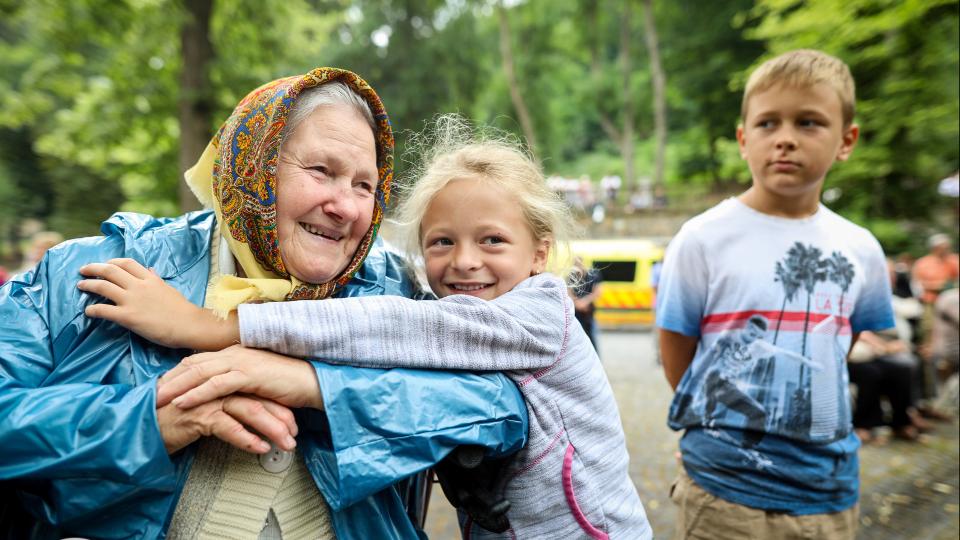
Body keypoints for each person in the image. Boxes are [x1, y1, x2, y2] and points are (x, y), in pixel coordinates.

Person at [0, 69, 528, 539]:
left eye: (364, 184)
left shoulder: (398, 288)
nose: (343, 206)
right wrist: (151, 421)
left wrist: (317, 385)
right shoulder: (98, 270)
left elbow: (506, 408)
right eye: (321, 170)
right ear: (254, 162)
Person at [79, 116, 653, 539]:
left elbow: (396, 330)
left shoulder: (536, 311)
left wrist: (212, 327)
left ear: (539, 254)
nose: (465, 262)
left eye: (493, 240)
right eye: (441, 242)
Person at [656, 50, 895, 539]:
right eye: (768, 123)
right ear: (744, 139)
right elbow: (677, 351)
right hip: (723, 493)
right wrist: (711, 425)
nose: (785, 138)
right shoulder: (702, 239)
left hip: (828, 493)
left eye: (809, 122)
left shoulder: (861, 249)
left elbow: (837, 348)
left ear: (846, 140)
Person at [569, 255, 604, 353]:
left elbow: (597, 292)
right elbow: (569, 292)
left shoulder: (593, 275)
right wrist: (578, 304)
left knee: (592, 336)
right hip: (577, 312)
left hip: (589, 312)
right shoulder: (571, 276)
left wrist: (583, 303)